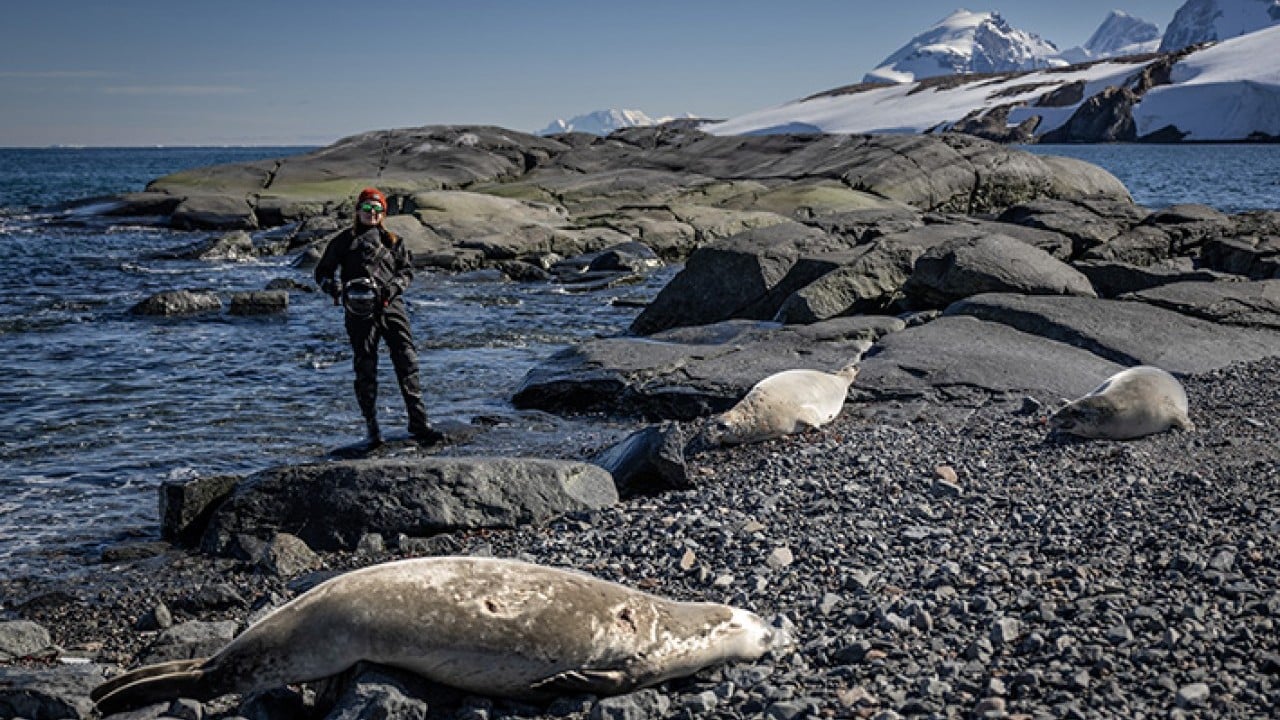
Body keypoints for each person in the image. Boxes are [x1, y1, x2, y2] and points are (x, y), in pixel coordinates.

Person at [314, 187, 442, 446]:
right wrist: (334, 288)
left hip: (392, 307)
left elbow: (407, 272)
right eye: (367, 209)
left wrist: (394, 288)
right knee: (365, 366)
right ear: (358, 210)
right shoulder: (342, 241)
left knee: (407, 360)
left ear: (383, 213)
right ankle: (372, 429)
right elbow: (322, 273)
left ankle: (418, 422)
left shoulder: (393, 241)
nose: (371, 214)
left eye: (377, 209)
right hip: (358, 310)